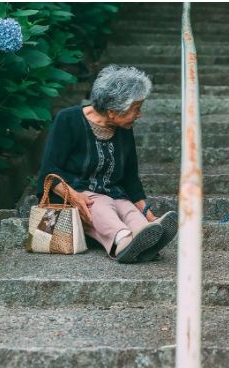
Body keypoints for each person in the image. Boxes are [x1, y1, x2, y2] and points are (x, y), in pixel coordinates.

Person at [35, 65, 177, 263]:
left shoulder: (124, 128)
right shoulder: (68, 120)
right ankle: (122, 242)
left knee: (126, 208)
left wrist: (147, 213)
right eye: (136, 109)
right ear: (112, 112)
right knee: (100, 205)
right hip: (75, 196)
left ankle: (145, 237)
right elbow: (48, 171)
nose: (140, 115)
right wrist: (74, 196)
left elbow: (130, 178)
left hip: (113, 194)